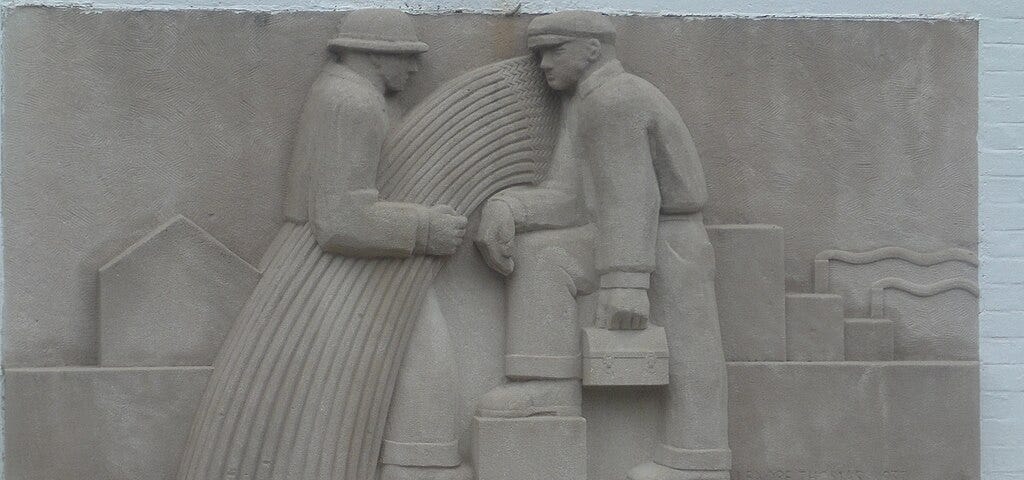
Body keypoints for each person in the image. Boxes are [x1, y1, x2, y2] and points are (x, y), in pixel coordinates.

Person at [177, 10, 469, 480]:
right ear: (376, 56)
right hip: (328, 273)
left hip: (336, 270)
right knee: (399, 379)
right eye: (408, 58)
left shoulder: (351, 95)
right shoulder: (351, 101)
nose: (415, 69)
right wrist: (424, 229)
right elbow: (338, 219)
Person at [474, 11, 732, 480]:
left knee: (693, 352)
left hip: (665, 239)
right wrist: (510, 207)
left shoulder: (617, 98)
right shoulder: (585, 102)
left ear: (593, 49)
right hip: (623, 235)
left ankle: (697, 461)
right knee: (542, 255)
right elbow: (571, 196)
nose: (543, 64)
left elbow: (632, 193)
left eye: (555, 50)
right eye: (538, 53)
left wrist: (626, 282)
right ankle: (547, 389)